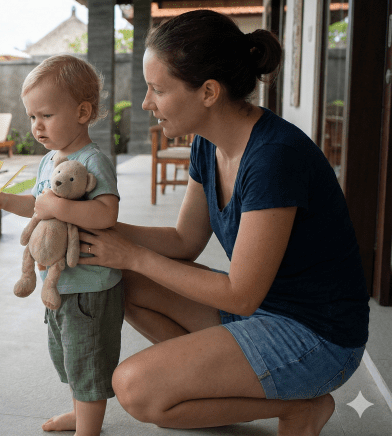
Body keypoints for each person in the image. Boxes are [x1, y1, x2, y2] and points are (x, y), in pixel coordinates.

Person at [77, 10, 369, 436]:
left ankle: (298, 408)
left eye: (157, 89)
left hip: (317, 338)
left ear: (209, 92)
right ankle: (218, 388)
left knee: (136, 389)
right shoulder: (208, 145)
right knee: (123, 280)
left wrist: (135, 255)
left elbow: (241, 296)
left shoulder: (273, 158)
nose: (145, 102)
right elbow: (183, 240)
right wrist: (92, 229)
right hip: (265, 313)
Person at [0, 54, 122, 436]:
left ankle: (89, 428)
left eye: (45, 115)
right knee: (68, 355)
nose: (36, 126)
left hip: (90, 285)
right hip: (61, 285)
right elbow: (37, 206)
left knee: (88, 360)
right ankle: (79, 413)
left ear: (83, 112)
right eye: (32, 117)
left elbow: (106, 214)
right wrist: (0, 199)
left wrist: (59, 204)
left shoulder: (93, 161)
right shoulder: (51, 161)